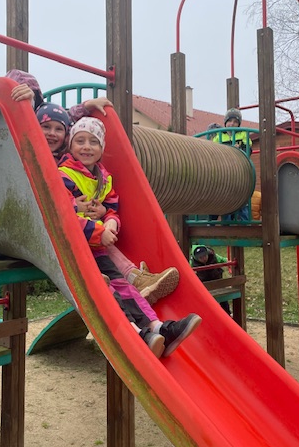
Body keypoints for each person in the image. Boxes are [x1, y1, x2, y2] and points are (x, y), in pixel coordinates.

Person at [0, 96, 179, 304]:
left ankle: (128, 278)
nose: (52, 133)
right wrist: (24, 97)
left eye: (58, 130)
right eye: (45, 127)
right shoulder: (27, 149)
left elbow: (69, 121)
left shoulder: (64, 156)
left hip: (52, 223)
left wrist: (87, 106)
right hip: (21, 218)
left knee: (99, 237)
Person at [58, 116, 202, 358]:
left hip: (97, 248)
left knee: (124, 287)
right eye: (80, 141)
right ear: (70, 146)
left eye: (93, 142)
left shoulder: (103, 178)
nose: (86, 147)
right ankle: (135, 334)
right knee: (105, 290)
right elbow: (61, 215)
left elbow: (112, 207)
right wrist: (99, 231)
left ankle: (158, 328)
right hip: (74, 249)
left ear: (101, 148)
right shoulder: (63, 175)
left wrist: (111, 222)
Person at [213, 108, 253, 222]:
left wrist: (239, 150)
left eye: (235, 122)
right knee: (226, 198)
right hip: (225, 172)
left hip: (240, 171)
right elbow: (214, 152)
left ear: (239, 124)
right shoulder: (219, 136)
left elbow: (248, 150)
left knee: (242, 199)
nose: (232, 124)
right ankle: (226, 224)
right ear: (225, 122)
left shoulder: (243, 134)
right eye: (230, 121)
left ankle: (244, 225)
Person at [191, 245, 231, 316]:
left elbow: (223, 259)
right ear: (196, 258)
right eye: (201, 257)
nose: (204, 259)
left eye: (205, 256)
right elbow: (187, 269)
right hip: (204, 284)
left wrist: (228, 261)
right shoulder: (193, 262)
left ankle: (227, 314)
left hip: (216, 280)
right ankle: (208, 315)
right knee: (204, 300)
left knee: (223, 299)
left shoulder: (213, 255)